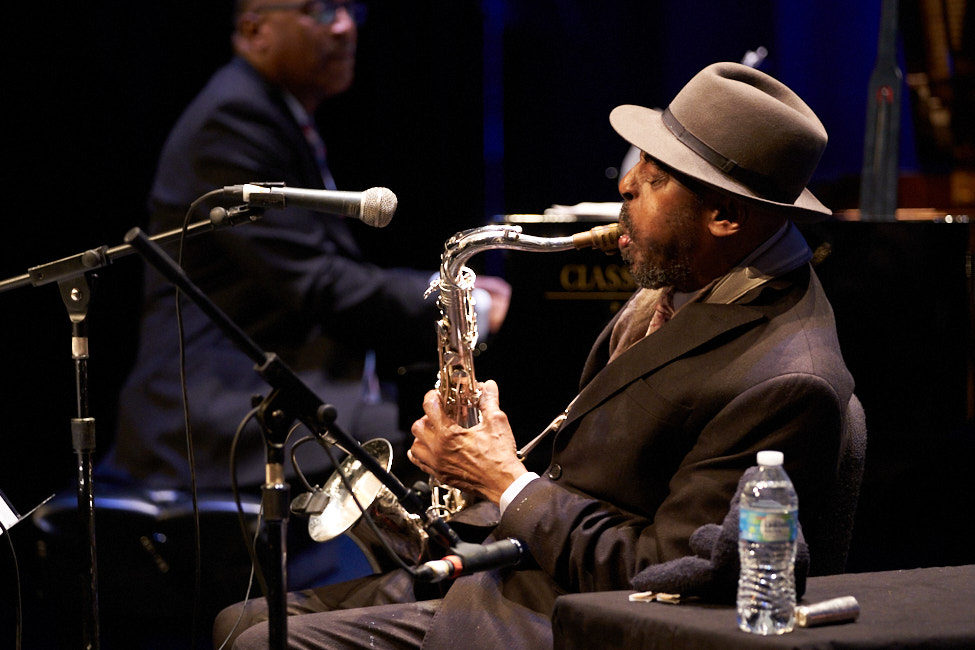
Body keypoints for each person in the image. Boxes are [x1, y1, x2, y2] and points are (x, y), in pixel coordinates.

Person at [216, 61, 857, 649]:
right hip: (526, 567)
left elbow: (660, 572)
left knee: (256, 643)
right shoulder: (685, 279)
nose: (625, 185)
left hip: (573, 615)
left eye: (657, 178)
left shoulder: (788, 379)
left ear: (725, 215)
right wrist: (468, 485)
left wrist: (504, 481)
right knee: (236, 621)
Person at [95, 0, 509, 586]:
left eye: (347, 8)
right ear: (254, 29)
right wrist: (462, 301)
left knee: (432, 440)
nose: (343, 25)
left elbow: (320, 271)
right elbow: (317, 284)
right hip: (215, 410)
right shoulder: (233, 117)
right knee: (425, 447)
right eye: (317, 10)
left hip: (271, 373)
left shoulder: (274, 111)